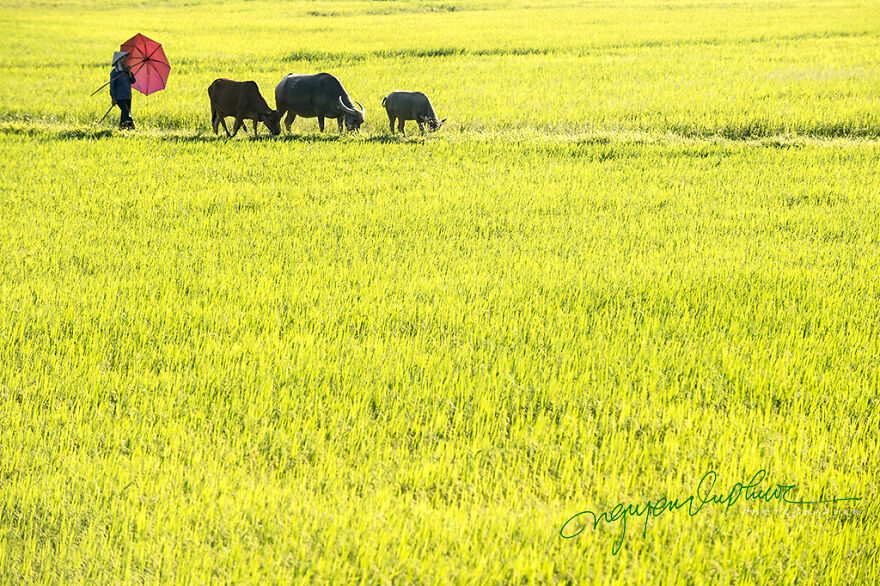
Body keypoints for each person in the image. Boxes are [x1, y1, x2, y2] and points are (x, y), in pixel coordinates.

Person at [109, 51, 136, 129]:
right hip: (119, 97)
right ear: (120, 61)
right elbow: (112, 86)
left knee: (125, 114)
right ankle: (132, 128)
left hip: (128, 96)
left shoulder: (127, 71)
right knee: (126, 113)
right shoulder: (115, 72)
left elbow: (133, 81)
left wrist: (130, 73)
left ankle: (122, 128)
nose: (125, 61)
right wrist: (113, 98)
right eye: (124, 59)